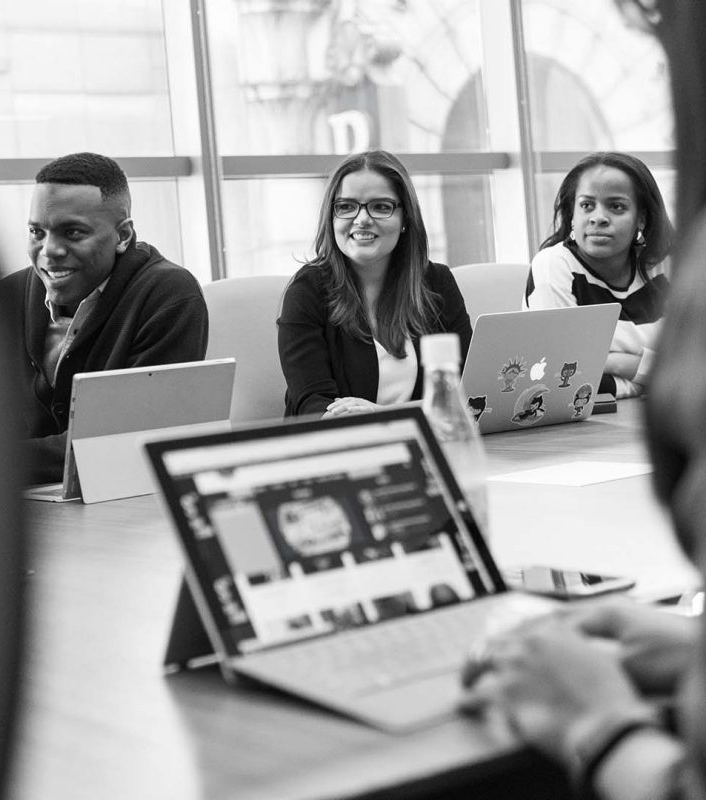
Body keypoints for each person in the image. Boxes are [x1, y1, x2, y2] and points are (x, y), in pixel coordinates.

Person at [460, 3, 706, 798]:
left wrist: (595, 725)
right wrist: (690, 643)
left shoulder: (677, 274)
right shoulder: (558, 265)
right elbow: (585, 355)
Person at [0, 152, 208, 484]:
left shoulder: (168, 294)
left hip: (120, 501)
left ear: (123, 235)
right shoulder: (5, 296)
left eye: (73, 233)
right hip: (19, 504)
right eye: (37, 232)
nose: (49, 250)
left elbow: (125, 442)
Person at [277, 149, 472, 417]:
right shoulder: (307, 290)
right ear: (331, 218)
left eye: (381, 206)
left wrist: (383, 414)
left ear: (405, 219)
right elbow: (310, 402)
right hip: (339, 450)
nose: (362, 219)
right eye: (346, 207)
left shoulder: (436, 283)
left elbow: (466, 385)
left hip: (429, 444)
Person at [523, 151, 674, 399]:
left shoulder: (665, 266)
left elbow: (693, 365)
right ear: (572, 215)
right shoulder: (554, 266)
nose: (598, 218)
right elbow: (562, 377)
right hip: (572, 429)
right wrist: (649, 378)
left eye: (616, 207)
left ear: (641, 219)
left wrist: (613, 363)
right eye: (586, 205)